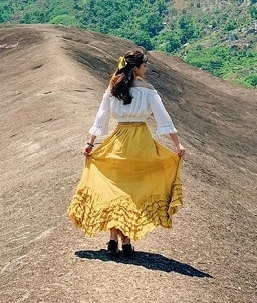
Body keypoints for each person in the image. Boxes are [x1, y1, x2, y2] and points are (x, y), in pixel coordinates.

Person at [68, 50, 186, 257]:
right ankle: (127, 241)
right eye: (145, 65)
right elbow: (164, 120)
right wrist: (178, 145)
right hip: (141, 144)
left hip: (118, 143)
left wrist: (90, 144)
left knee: (117, 190)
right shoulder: (149, 91)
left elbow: (101, 119)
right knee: (133, 193)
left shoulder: (113, 89)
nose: (146, 69)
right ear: (136, 68)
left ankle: (114, 239)